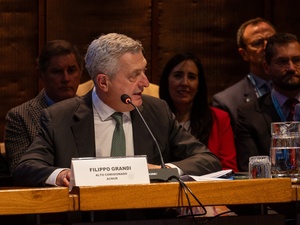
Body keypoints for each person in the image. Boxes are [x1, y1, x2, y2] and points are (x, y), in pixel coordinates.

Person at [13, 33, 222, 187]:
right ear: (104, 82)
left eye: (144, 72)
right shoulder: (60, 117)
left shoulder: (156, 111)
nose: (145, 82)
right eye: (134, 75)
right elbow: (26, 166)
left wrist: (164, 171)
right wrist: (60, 175)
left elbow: (207, 160)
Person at [4, 40, 83, 174]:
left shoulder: (90, 109)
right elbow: (20, 170)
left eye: (71, 70)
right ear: (41, 75)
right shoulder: (20, 117)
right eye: (57, 71)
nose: (66, 78)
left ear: (81, 72)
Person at [159, 52, 238, 172]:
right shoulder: (154, 118)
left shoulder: (219, 118)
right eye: (178, 75)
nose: (184, 83)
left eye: (191, 77)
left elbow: (228, 169)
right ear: (167, 81)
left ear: (199, 85)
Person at [235, 32, 300, 171]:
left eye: (297, 60)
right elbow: (250, 170)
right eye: (282, 62)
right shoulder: (249, 114)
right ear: (266, 67)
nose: (291, 68)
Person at [212, 18, 276, 130]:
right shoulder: (226, 102)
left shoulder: (294, 88)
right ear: (244, 54)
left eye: (272, 41)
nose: (267, 47)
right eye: (258, 43)